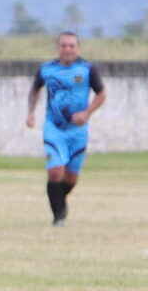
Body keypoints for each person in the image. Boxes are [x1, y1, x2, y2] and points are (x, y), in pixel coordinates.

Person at [24, 31, 106, 225]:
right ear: (58, 48)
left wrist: (87, 113)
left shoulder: (87, 69)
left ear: (78, 48)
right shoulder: (46, 69)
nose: (67, 49)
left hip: (78, 131)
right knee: (55, 172)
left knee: (70, 179)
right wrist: (30, 112)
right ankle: (58, 216)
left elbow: (101, 94)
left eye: (71, 45)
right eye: (63, 45)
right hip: (54, 129)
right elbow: (35, 90)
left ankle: (60, 201)